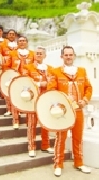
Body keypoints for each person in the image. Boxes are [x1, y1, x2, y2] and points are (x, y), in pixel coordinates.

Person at [47, 46, 92, 177]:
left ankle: (79, 162)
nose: (68, 57)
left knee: (78, 138)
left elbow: (89, 88)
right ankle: (58, 164)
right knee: (61, 138)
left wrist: (85, 100)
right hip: (63, 112)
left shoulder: (82, 71)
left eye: (70, 55)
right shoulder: (55, 71)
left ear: (74, 56)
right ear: (62, 57)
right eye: (66, 55)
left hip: (78, 110)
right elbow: (51, 90)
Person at [23, 46, 54, 157]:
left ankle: (45, 145)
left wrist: (46, 84)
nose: (39, 55)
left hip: (45, 100)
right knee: (32, 124)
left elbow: (53, 82)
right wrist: (41, 84)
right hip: (33, 100)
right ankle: (31, 147)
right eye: (37, 53)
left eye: (41, 53)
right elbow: (26, 81)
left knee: (45, 123)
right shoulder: (28, 67)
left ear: (45, 55)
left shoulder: (50, 68)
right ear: (34, 55)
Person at [0, 36, 34, 129]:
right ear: (17, 43)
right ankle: (15, 121)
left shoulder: (32, 54)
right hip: (16, 79)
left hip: (28, 80)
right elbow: (8, 65)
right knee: (15, 100)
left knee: (28, 99)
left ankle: (29, 121)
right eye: (20, 41)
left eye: (24, 41)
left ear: (26, 42)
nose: (22, 42)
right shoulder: (12, 53)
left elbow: (34, 66)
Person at [0, 29, 18, 116]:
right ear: (7, 36)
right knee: (7, 90)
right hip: (6, 70)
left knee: (16, 90)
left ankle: (17, 108)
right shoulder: (2, 44)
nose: (11, 35)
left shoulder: (19, 46)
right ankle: (9, 109)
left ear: (15, 36)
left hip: (17, 71)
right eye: (10, 34)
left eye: (13, 34)